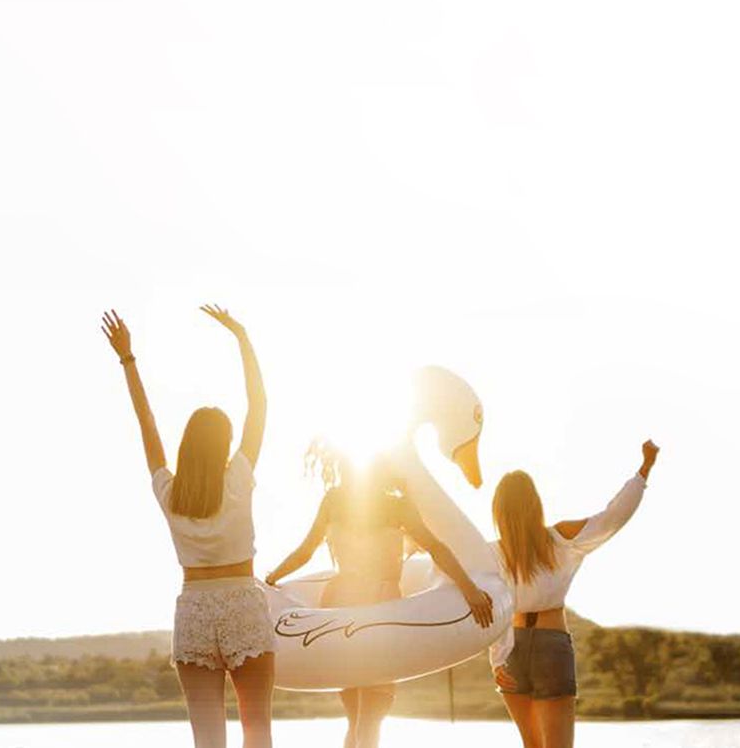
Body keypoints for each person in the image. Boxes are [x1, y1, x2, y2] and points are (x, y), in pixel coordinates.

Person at [102, 305, 274, 748]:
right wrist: (242, 337)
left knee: (207, 743)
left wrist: (128, 359)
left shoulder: (171, 493)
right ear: (225, 445)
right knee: (258, 735)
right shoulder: (238, 478)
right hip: (241, 604)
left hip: (194, 611)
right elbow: (260, 405)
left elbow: (147, 424)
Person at [264, 441, 495, 748]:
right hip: (380, 608)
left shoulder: (334, 500)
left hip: (339, 606)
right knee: (371, 716)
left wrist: (272, 578)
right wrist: (470, 589)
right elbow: (436, 548)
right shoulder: (396, 505)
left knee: (357, 716)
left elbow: (305, 551)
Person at [490, 440, 660, 748]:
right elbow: (613, 517)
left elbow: (485, 605)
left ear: (498, 511)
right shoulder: (559, 540)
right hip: (549, 644)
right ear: (534, 504)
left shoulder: (493, 553)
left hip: (511, 645)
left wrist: (497, 660)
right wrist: (643, 471)